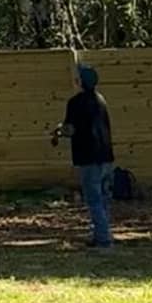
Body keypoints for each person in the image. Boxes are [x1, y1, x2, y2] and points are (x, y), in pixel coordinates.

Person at [51, 64, 115, 247]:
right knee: (103, 199)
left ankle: (103, 239)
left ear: (80, 82)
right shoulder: (101, 100)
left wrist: (58, 132)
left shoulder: (75, 102)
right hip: (106, 156)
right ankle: (101, 233)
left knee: (93, 199)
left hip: (88, 157)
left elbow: (70, 129)